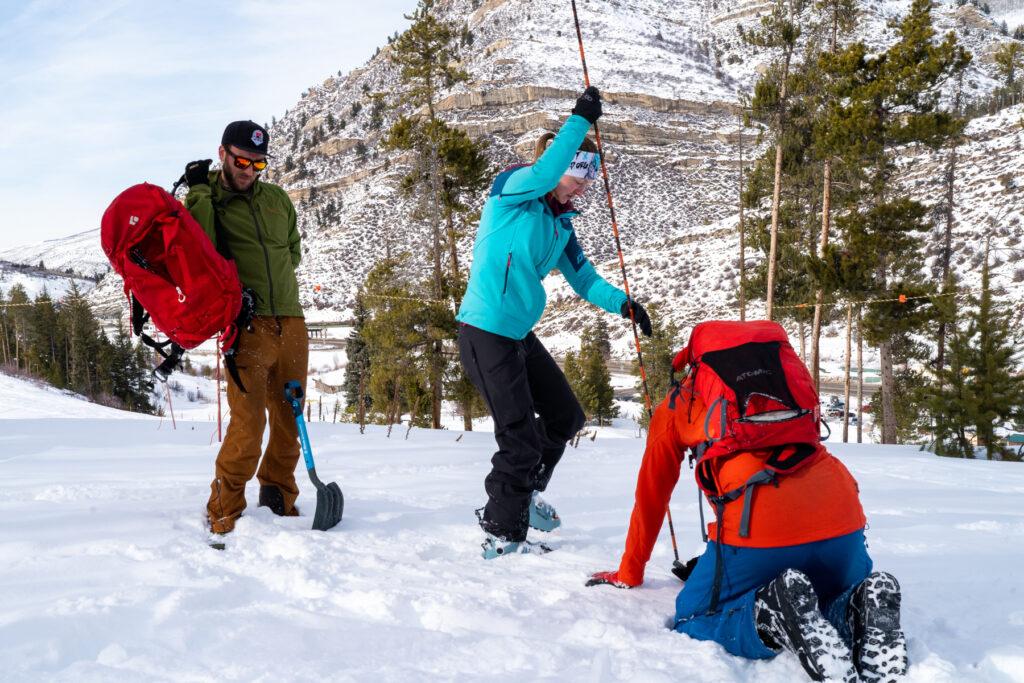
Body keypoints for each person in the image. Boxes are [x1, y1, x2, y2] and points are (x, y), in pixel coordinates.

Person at [587, 321, 907, 682]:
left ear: (697, 363)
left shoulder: (681, 404)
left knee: (694, 616)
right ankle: (856, 606)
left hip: (757, 530)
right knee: (822, 593)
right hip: (842, 521)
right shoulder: (787, 387)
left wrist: (630, 572)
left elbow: (651, 495)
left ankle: (769, 616)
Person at [456, 85, 653, 559]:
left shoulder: (561, 225)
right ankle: (502, 534)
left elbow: (585, 279)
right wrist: (580, 120)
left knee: (566, 416)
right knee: (519, 437)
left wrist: (624, 304)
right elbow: (545, 171)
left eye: (589, 178)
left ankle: (526, 494)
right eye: (579, 176)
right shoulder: (511, 193)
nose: (584, 185)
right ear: (559, 167)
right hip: (485, 331)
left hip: (518, 335)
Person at [183, 120, 308, 535]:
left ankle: (278, 497)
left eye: (258, 164)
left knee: (290, 419)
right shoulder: (209, 199)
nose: (248, 170)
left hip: (290, 318)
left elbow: (293, 251)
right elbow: (198, 248)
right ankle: (225, 505)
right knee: (248, 423)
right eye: (241, 161)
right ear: (223, 154)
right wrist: (199, 191)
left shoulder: (276, 199)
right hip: (247, 325)